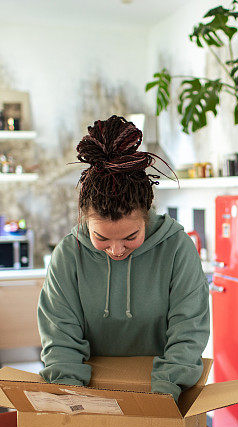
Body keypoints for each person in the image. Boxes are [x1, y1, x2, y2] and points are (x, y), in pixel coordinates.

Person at [37, 115, 209, 401]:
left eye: (131, 237)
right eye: (101, 238)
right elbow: (60, 340)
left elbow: (188, 332)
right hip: (89, 398)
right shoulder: (68, 255)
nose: (117, 250)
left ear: (147, 214)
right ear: (85, 221)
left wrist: (163, 397)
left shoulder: (177, 248)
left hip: (165, 393)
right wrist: (71, 397)